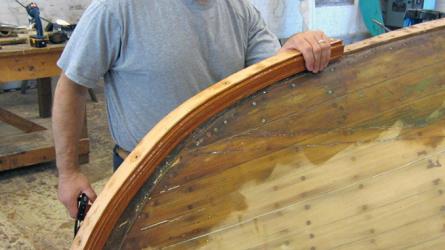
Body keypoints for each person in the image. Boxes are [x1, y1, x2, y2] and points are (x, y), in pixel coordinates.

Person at [53, 0, 332, 219]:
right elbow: (72, 87)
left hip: (220, 176)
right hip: (143, 179)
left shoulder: (239, 10)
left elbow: (272, 75)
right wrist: (69, 173)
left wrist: (297, 47)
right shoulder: (117, 8)